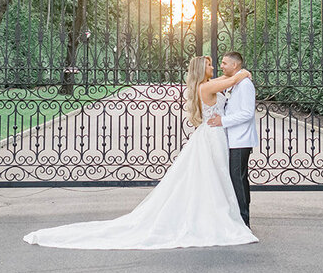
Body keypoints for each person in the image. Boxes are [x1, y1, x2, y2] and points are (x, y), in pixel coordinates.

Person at [23, 55, 258, 249]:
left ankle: (217, 215)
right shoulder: (208, 86)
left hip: (212, 136)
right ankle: (219, 219)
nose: (214, 66)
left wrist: (235, 76)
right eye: (209, 64)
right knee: (213, 178)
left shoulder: (205, 84)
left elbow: (226, 80)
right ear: (201, 69)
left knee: (212, 179)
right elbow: (233, 79)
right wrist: (243, 73)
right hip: (212, 137)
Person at [206, 51, 257, 227]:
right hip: (233, 139)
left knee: (238, 179)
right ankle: (239, 216)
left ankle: (244, 220)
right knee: (237, 178)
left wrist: (223, 121)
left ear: (235, 65)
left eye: (224, 63)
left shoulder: (245, 85)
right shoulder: (236, 82)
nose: (221, 66)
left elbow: (247, 113)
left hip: (241, 140)